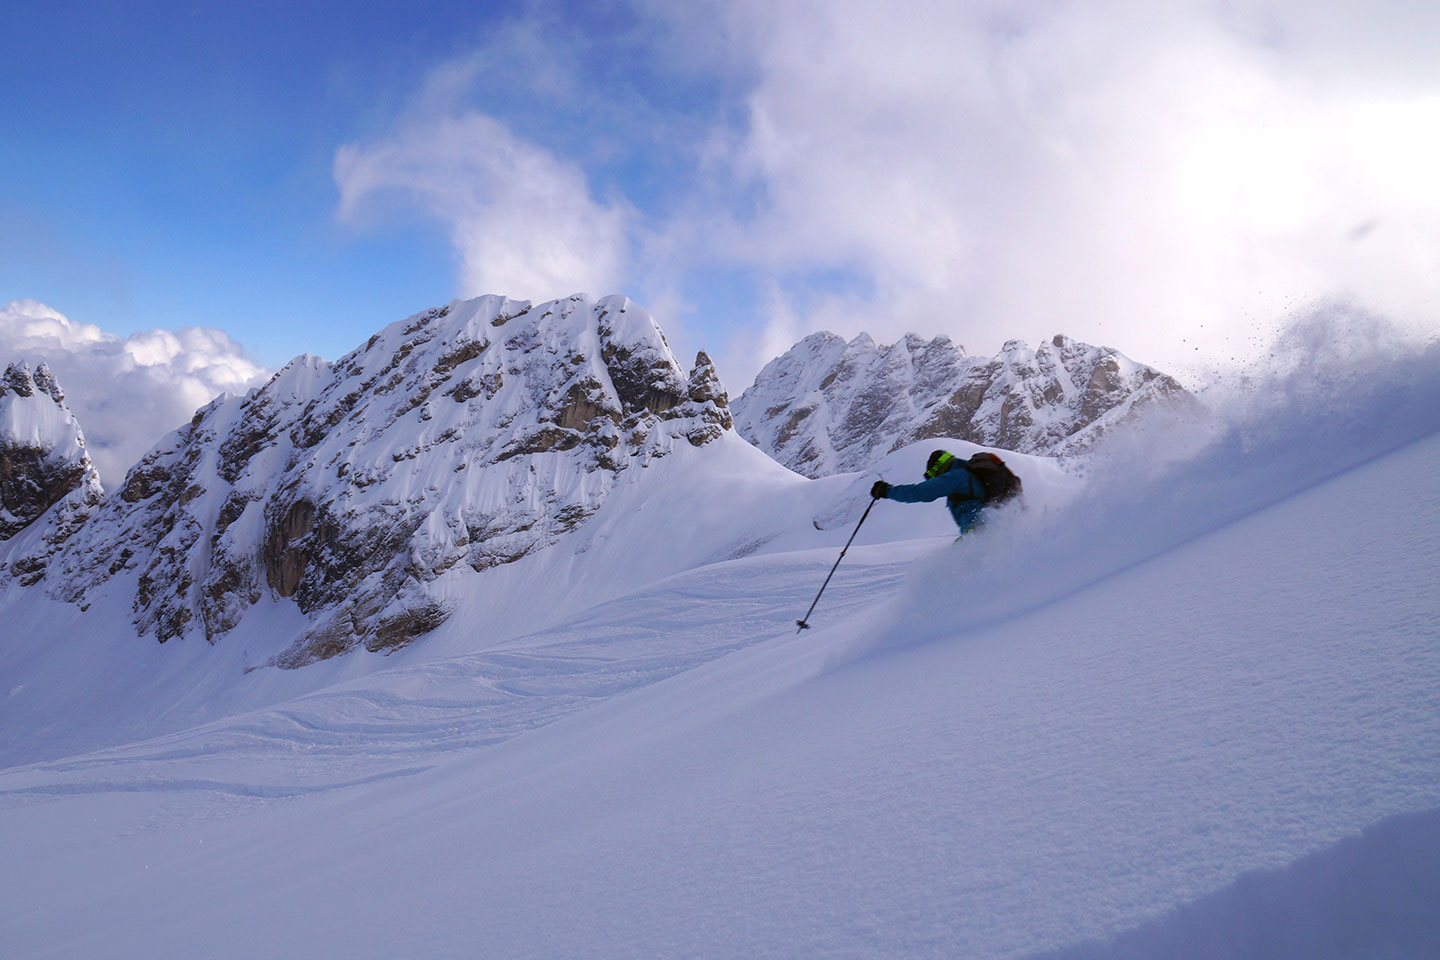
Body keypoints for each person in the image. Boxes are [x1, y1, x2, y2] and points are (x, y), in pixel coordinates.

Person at [870, 449, 1003, 535]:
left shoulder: (956, 477)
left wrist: (886, 491)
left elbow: (919, 492)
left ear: (938, 468)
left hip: (979, 531)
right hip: (991, 528)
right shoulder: (966, 474)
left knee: (951, 573)